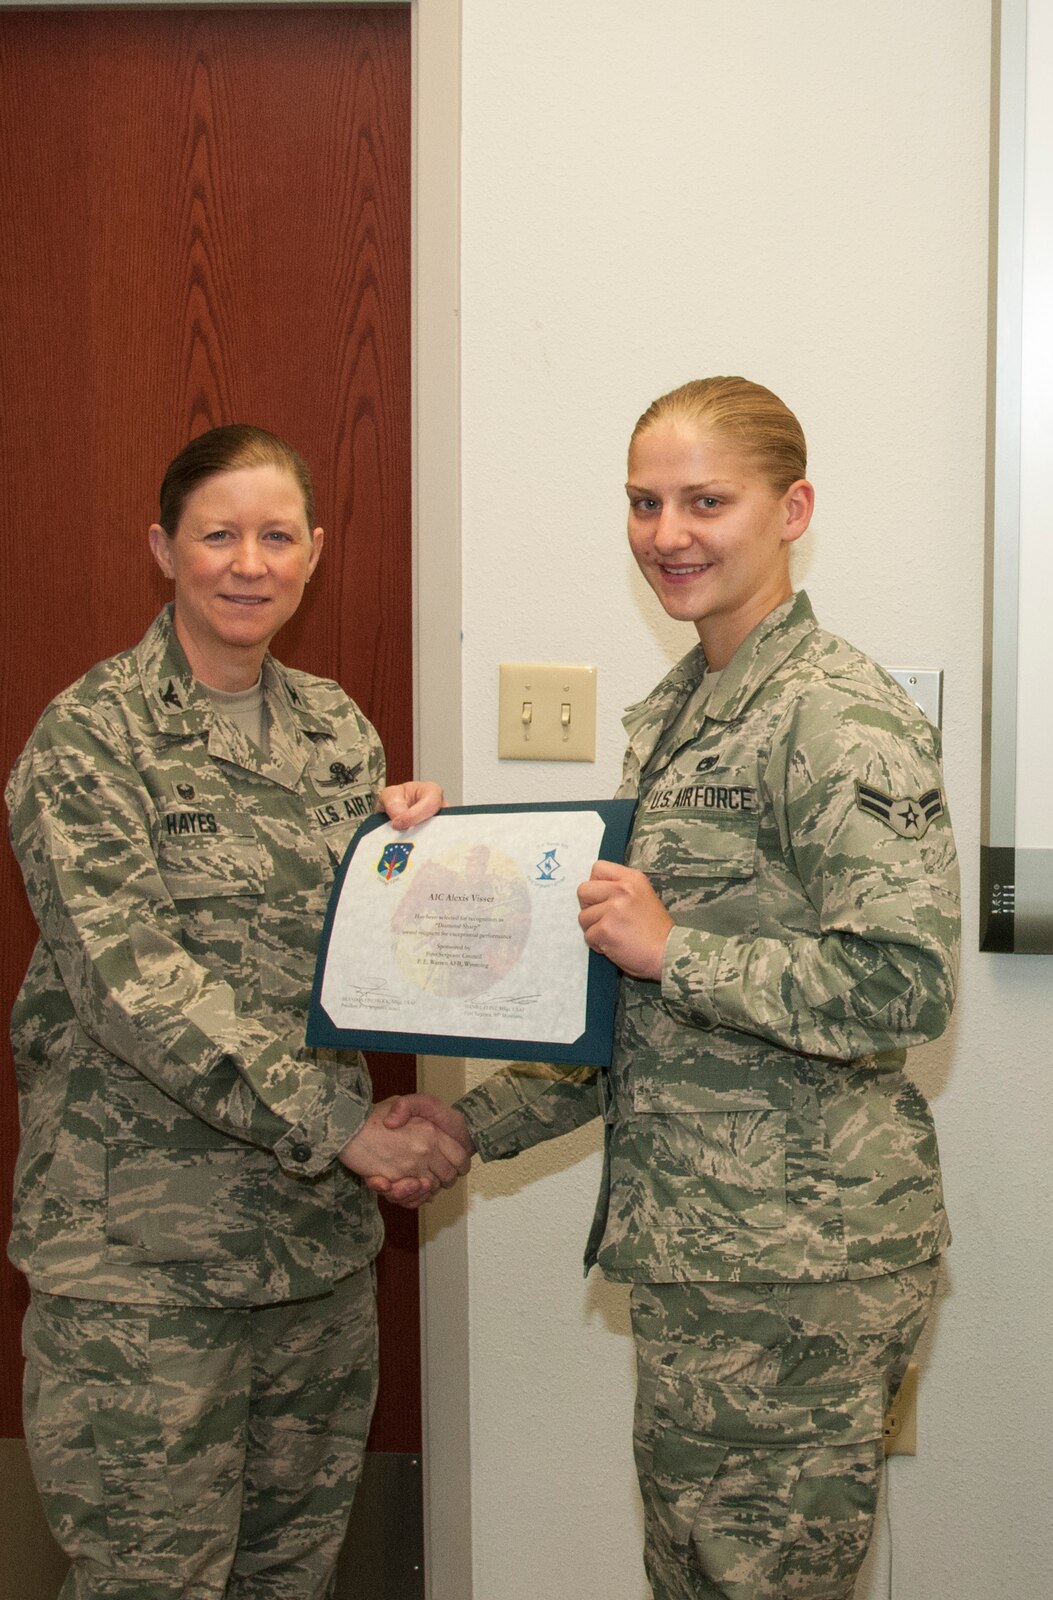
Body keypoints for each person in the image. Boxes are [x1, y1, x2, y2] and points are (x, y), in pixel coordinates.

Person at [390, 376, 960, 1599]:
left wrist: (676, 949)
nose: (667, 534)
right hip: (707, 1257)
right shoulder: (680, 715)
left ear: (791, 508)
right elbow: (627, 1011)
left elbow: (903, 987)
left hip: (799, 1269)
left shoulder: (835, 715)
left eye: (707, 500)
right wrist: (467, 1124)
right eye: (645, 502)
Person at [7, 424, 467, 1598]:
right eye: (217, 534)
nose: (246, 562)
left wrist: (439, 867)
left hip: (310, 1259)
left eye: (275, 535)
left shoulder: (337, 734)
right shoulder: (90, 739)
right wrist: (347, 1128)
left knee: (289, 1576)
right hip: (143, 1273)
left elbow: (362, 967)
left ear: (314, 551)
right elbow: (135, 988)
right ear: (164, 547)